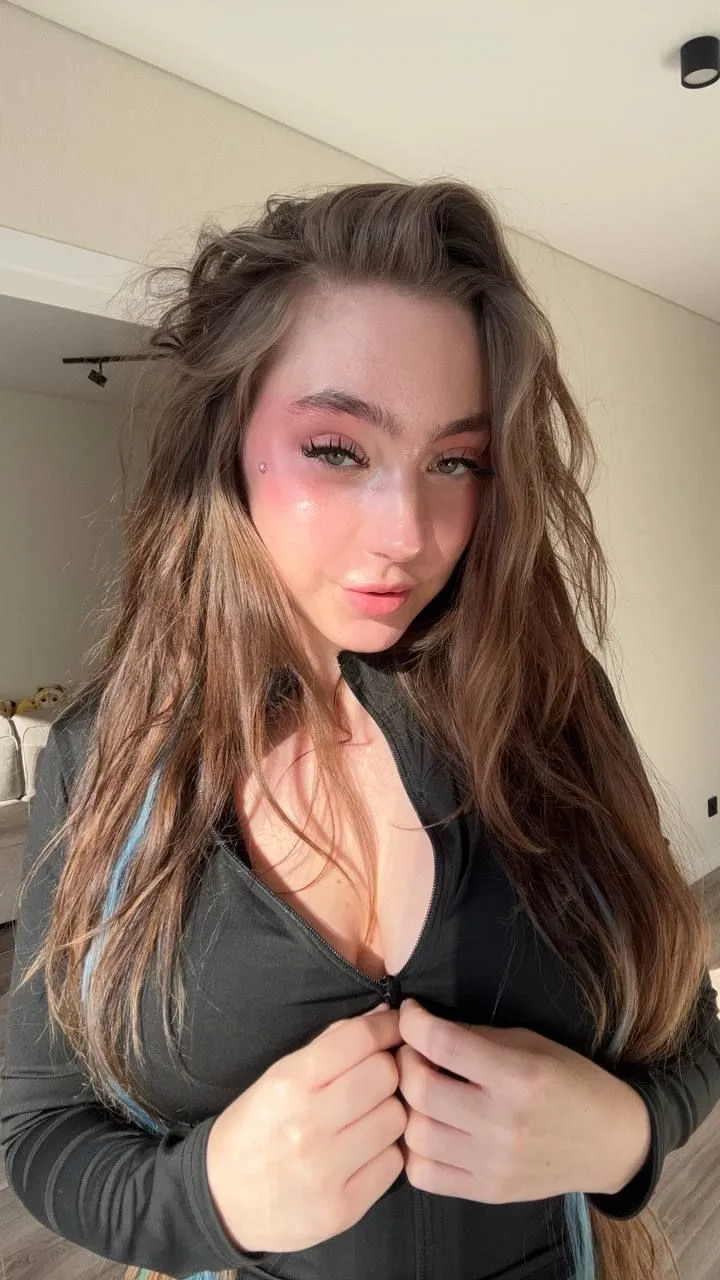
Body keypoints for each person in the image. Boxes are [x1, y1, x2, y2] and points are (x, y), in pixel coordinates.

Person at [1, 179, 718, 1280]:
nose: (408, 534)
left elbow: (685, 1021)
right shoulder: (113, 755)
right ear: (230, 439)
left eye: (456, 461)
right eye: (337, 449)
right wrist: (205, 1198)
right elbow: (40, 1122)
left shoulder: (549, 711)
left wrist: (625, 1134)